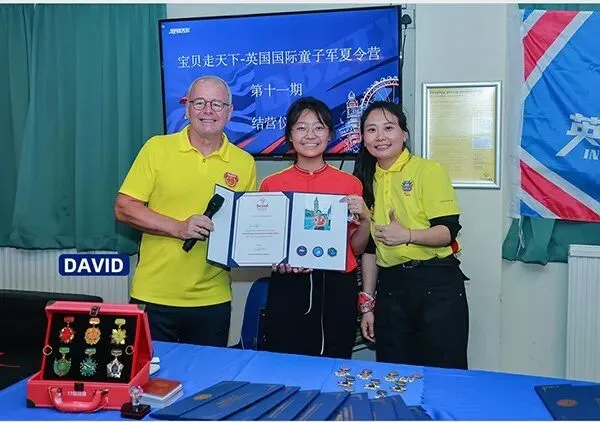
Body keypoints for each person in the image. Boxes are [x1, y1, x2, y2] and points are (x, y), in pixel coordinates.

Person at [114, 75, 257, 346]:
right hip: (154, 296)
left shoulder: (244, 162)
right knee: (150, 372)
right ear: (187, 108)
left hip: (213, 300)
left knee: (208, 374)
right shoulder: (157, 148)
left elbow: (245, 228)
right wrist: (179, 228)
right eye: (199, 102)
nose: (208, 111)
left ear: (229, 112)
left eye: (217, 104)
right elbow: (124, 208)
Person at [353, 100, 469, 369]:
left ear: (404, 134)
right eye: (371, 130)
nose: (380, 136)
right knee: (394, 374)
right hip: (391, 288)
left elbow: (447, 232)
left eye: (388, 128)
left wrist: (407, 235)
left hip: (435, 284)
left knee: (443, 374)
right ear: (363, 139)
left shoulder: (428, 170)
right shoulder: (365, 180)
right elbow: (370, 249)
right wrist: (367, 303)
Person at [259, 97, 371, 359]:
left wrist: (366, 220)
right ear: (289, 135)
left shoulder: (350, 184)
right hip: (289, 284)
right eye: (301, 128)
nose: (310, 135)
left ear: (330, 135)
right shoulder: (271, 185)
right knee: (285, 361)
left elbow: (354, 249)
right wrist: (276, 259)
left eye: (319, 127)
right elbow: (267, 243)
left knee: (335, 359)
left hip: (337, 287)